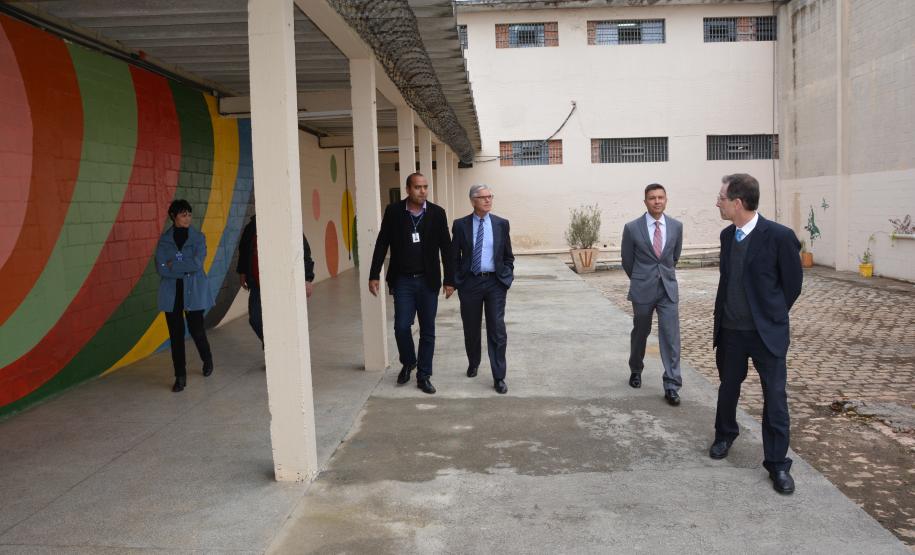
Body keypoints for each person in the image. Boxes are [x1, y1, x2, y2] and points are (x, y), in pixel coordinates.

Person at [710, 173, 803, 495]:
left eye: (721, 198)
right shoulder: (727, 236)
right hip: (731, 331)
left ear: (737, 203)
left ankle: (778, 465)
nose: (717, 203)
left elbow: (792, 285)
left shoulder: (779, 236)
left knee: (775, 398)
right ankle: (724, 435)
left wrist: (770, 315)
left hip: (766, 335)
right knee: (728, 388)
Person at [369, 173, 455, 394]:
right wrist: (374, 274)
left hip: (428, 281)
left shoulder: (437, 213)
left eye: (425, 187)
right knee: (401, 326)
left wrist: (449, 280)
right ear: (408, 189)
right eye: (418, 187)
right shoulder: (394, 211)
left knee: (428, 330)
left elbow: (446, 248)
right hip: (403, 280)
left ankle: (424, 375)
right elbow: (382, 242)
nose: (423, 191)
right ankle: (409, 362)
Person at [620, 183, 684, 406]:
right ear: (645, 201)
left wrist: (663, 275)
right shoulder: (632, 228)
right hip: (642, 289)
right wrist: (640, 278)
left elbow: (674, 257)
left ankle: (672, 385)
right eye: (652, 198)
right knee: (641, 332)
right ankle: (636, 369)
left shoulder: (676, 226)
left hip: (668, 290)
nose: (657, 201)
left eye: (660, 197)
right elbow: (627, 260)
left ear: (666, 200)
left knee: (671, 336)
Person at [451, 184, 514, 394]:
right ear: (472, 201)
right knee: (471, 327)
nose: (488, 200)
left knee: (497, 329)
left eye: (490, 196)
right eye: (483, 197)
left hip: (495, 283)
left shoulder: (501, 224)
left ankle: (499, 376)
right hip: (470, 283)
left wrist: (507, 276)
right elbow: (454, 256)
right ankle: (473, 362)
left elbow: (508, 255)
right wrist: (456, 280)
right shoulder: (460, 225)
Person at [156, 199, 215, 393]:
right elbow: (161, 268)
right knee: (176, 336)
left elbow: (197, 264)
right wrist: (183, 268)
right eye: (183, 215)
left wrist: (174, 265)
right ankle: (180, 377)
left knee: (197, 330)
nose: (188, 218)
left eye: (189, 214)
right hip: (172, 294)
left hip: (194, 291)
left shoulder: (198, 238)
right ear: (173, 216)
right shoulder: (164, 241)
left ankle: (207, 359)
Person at [236, 214, 315, 348]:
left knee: (281, 320)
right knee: (255, 318)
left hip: (281, 284)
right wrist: (242, 272)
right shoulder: (252, 226)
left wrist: (307, 278)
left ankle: (277, 349)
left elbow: (303, 252)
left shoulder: (287, 222)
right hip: (257, 284)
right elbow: (244, 250)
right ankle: (272, 346)